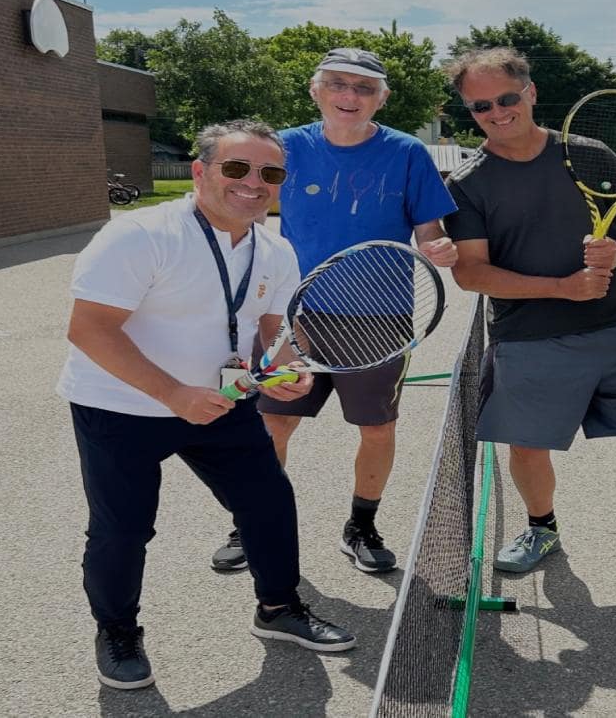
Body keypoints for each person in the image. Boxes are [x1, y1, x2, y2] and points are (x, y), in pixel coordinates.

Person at [57, 120, 356, 691]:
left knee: (268, 502)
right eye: (236, 168)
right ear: (200, 171)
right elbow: (90, 330)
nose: (253, 183)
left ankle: (278, 609)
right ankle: (117, 630)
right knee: (122, 530)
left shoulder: (274, 247)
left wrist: (285, 367)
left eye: (270, 173)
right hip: (121, 408)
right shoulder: (141, 235)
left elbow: (274, 329)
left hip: (222, 404)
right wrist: (173, 394)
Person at [211, 48, 457, 576]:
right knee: (272, 422)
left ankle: (361, 526)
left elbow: (431, 234)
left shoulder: (409, 152)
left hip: (380, 319)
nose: (350, 97)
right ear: (315, 89)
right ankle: (252, 522)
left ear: (382, 98)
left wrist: (439, 250)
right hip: (289, 315)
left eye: (364, 88)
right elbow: (235, 206)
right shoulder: (284, 148)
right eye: (339, 84)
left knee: (376, 429)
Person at [441, 47, 616, 575]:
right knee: (527, 448)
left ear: (531, 93)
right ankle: (541, 528)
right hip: (529, 337)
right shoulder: (466, 183)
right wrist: (562, 287)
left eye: (506, 98)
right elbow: (471, 273)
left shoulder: (590, 153)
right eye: (480, 107)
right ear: (469, 112)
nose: (497, 113)